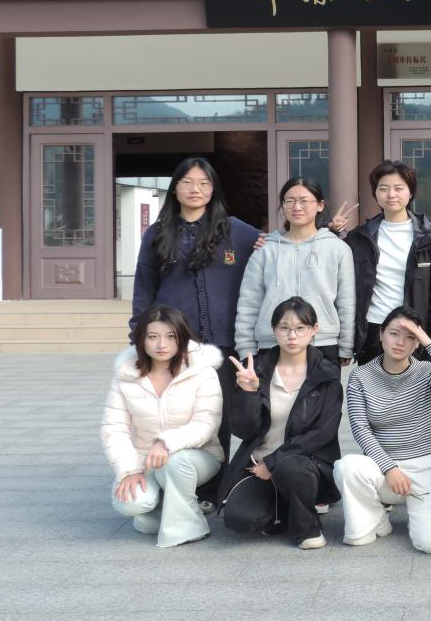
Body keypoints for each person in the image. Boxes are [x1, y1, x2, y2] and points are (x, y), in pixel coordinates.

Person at [130, 157, 258, 507]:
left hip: (224, 345)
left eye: (203, 183)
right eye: (187, 182)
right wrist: (139, 336)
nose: (195, 190)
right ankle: (179, 482)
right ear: (175, 189)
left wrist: (330, 230)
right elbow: (144, 287)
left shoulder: (237, 231)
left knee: (219, 416)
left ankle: (214, 489)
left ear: (213, 189)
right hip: (176, 346)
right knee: (180, 414)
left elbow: (281, 243)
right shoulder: (158, 233)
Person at [339, 161, 431, 457]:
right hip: (376, 335)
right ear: (375, 193)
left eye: (399, 188)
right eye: (383, 188)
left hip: (419, 336)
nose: (391, 194)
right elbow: (336, 276)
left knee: (429, 410)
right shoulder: (360, 238)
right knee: (376, 410)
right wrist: (330, 232)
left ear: (411, 192)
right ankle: (381, 473)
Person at [334, 306, 431, 553]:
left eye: (410, 337)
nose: (400, 342)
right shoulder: (360, 376)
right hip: (384, 467)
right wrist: (390, 468)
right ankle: (375, 520)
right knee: (347, 467)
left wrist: (428, 340)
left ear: (417, 343)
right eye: (394, 333)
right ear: (381, 333)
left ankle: (424, 513)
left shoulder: (426, 371)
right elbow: (360, 429)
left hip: (427, 464)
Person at [218, 297, 342, 549]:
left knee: (291, 467)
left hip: (306, 466)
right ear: (274, 330)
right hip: (259, 466)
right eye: (284, 328)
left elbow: (323, 433)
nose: (292, 336)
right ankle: (284, 510)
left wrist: (273, 462)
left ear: (314, 329)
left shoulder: (327, 374)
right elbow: (243, 430)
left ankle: (307, 528)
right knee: (239, 520)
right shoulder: (257, 371)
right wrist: (249, 393)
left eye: (300, 328)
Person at [101, 305, 223, 548]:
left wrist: (166, 442)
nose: (161, 344)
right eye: (153, 336)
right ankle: (165, 509)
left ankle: (187, 528)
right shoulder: (126, 376)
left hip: (197, 456)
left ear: (182, 337)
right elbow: (114, 429)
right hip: (145, 459)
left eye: (170, 336)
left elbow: (206, 424)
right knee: (133, 504)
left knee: (174, 462)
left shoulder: (202, 372)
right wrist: (130, 470)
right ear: (141, 339)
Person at [235, 177, 355, 368]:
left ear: (320, 205)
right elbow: (249, 304)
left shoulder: (338, 249)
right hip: (271, 343)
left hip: (322, 342)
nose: (296, 207)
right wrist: (246, 348)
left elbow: (346, 302)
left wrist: (346, 345)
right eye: (289, 201)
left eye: (304, 201)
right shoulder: (265, 250)